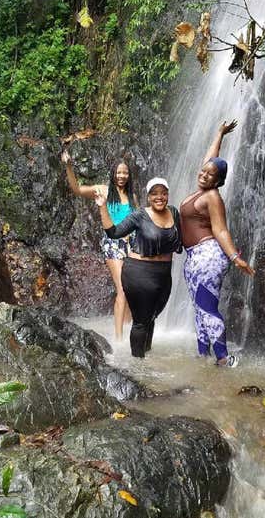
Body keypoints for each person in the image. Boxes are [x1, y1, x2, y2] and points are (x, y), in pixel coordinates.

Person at [180, 120, 254, 367]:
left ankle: (224, 359)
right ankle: (203, 356)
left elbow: (221, 230)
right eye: (203, 171)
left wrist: (235, 257)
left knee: (207, 308)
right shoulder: (202, 188)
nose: (203, 175)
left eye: (210, 175)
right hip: (194, 257)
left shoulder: (212, 197)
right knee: (199, 310)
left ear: (217, 181)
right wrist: (219, 133)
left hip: (208, 255)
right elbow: (211, 159)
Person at [96, 178, 182, 358]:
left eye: (163, 193)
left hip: (164, 275)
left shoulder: (174, 212)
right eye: (155, 193)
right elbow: (114, 233)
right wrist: (102, 207)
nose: (160, 197)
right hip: (139, 273)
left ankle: (146, 355)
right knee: (141, 321)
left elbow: (181, 241)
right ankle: (137, 364)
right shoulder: (140, 215)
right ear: (148, 196)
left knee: (151, 317)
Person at [60, 149, 136, 342]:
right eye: (118, 172)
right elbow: (76, 189)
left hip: (131, 244)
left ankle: (127, 330)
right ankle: (119, 340)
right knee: (123, 288)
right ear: (113, 173)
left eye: (125, 172)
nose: (122, 176)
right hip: (112, 243)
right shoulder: (103, 189)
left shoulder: (132, 197)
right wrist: (69, 166)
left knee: (132, 289)